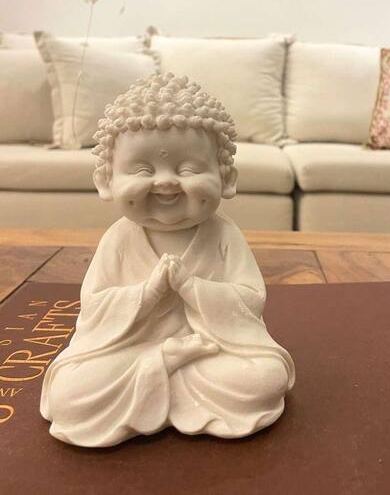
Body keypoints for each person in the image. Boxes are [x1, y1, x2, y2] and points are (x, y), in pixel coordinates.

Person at [40, 73, 295, 447]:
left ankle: (165, 373)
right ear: (106, 180)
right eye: (143, 170)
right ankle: (163, 361)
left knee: (264, 378)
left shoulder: (224, 235)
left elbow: (250, 300)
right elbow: (94, 309)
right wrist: (148, 293)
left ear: (226, 178)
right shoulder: (119, 239)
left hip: (211, 351)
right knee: (69, 393)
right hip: (129, 352)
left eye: (188, 169)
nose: (165, 183)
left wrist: (192, 288)